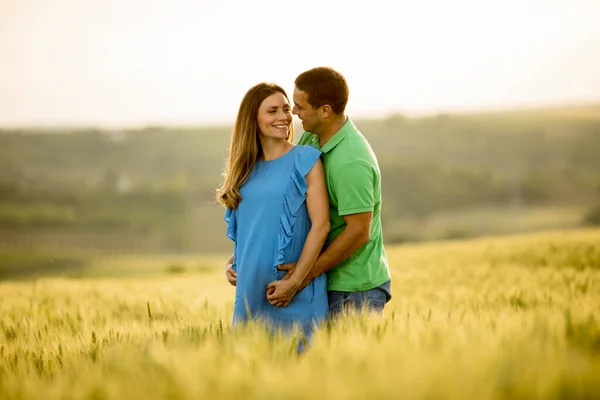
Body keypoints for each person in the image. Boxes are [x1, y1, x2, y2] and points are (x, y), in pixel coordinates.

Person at [266, 67, 392, 318]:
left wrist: (304, 275)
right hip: (328, 280)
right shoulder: (312, 139)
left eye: (300, 106)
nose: (294, 112)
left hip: (355, 289)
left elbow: (358, 231)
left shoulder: (351, 161)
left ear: (325, 110)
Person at [217, 82, 330, 349]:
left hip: (296, 292)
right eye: (272, 111)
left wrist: (294, 282)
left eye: (286, 109)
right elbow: (250, 230)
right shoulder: (243, 170)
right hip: (251, 294)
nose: (282, 117)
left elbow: (321, 226)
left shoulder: (306, 159)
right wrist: (232, 264)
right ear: (252, 119)